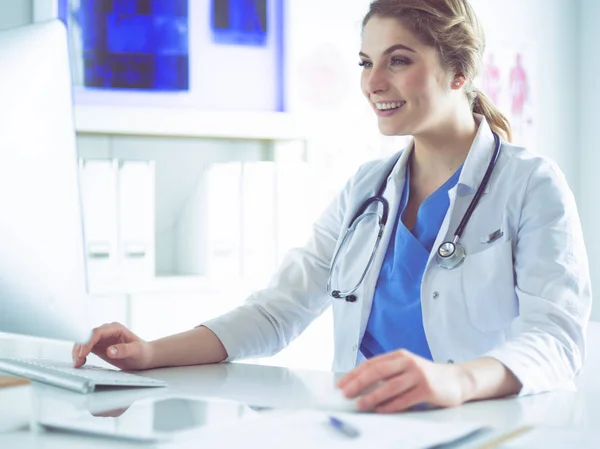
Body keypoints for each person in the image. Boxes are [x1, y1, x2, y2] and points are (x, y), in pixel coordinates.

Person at [73, 0, 591, 414]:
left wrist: (456, 380)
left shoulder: (531, 184)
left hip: (479, 427)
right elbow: (278, 309)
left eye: (399, 60)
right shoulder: (368, 188)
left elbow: (557, 338)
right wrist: (150, 353)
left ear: (459, 72)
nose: (373, 83)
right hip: (367, 424)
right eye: (367, 62)